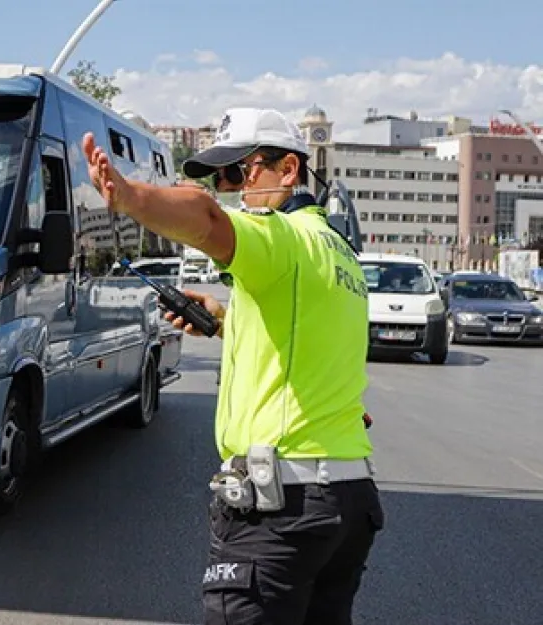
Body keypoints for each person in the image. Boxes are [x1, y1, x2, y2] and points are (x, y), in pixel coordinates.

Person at [84, 107, 383, 625]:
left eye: (239, 173)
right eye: (221, 178)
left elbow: (205, 219)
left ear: (288, 171)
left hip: (283, 506)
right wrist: (222, 320)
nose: (230, 189)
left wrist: (129, 197)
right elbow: (303, 341)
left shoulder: (281, 236)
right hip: (348, 501)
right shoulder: (339, 252)